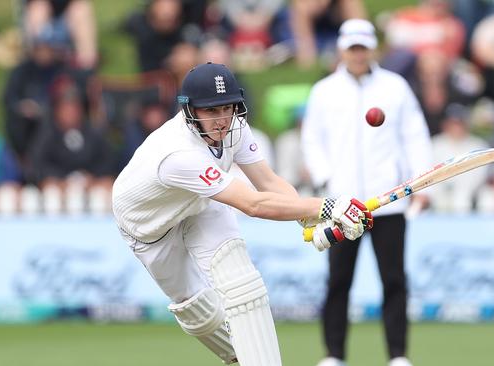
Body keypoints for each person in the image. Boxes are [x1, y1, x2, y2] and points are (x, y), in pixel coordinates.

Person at [111, 62, 373, 366]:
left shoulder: (234, 127)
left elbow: (268, 182)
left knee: (243, 283)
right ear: (189, 110)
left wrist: (310, 219)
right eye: (211, 111)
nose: (222, 119)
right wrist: (328, 206)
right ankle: (238, 358)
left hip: (199, 203)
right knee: (199, 310)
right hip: (149, 229)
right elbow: (253, 204)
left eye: (227, 107)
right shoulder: (177, 155)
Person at [301, 19, 433, 366]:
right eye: (352, 48)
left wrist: (420, 181)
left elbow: (414, 134)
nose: (358, 54)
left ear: (372, 48)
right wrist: (326, 178)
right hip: (342, 205)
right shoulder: (324, 91)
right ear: (343, 50)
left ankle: (398, 356)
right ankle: (333, 356)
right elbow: (312, 139)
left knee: (393, 280)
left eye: (363, 47)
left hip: (386, 201)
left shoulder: (395, 87)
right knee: (338, 280)